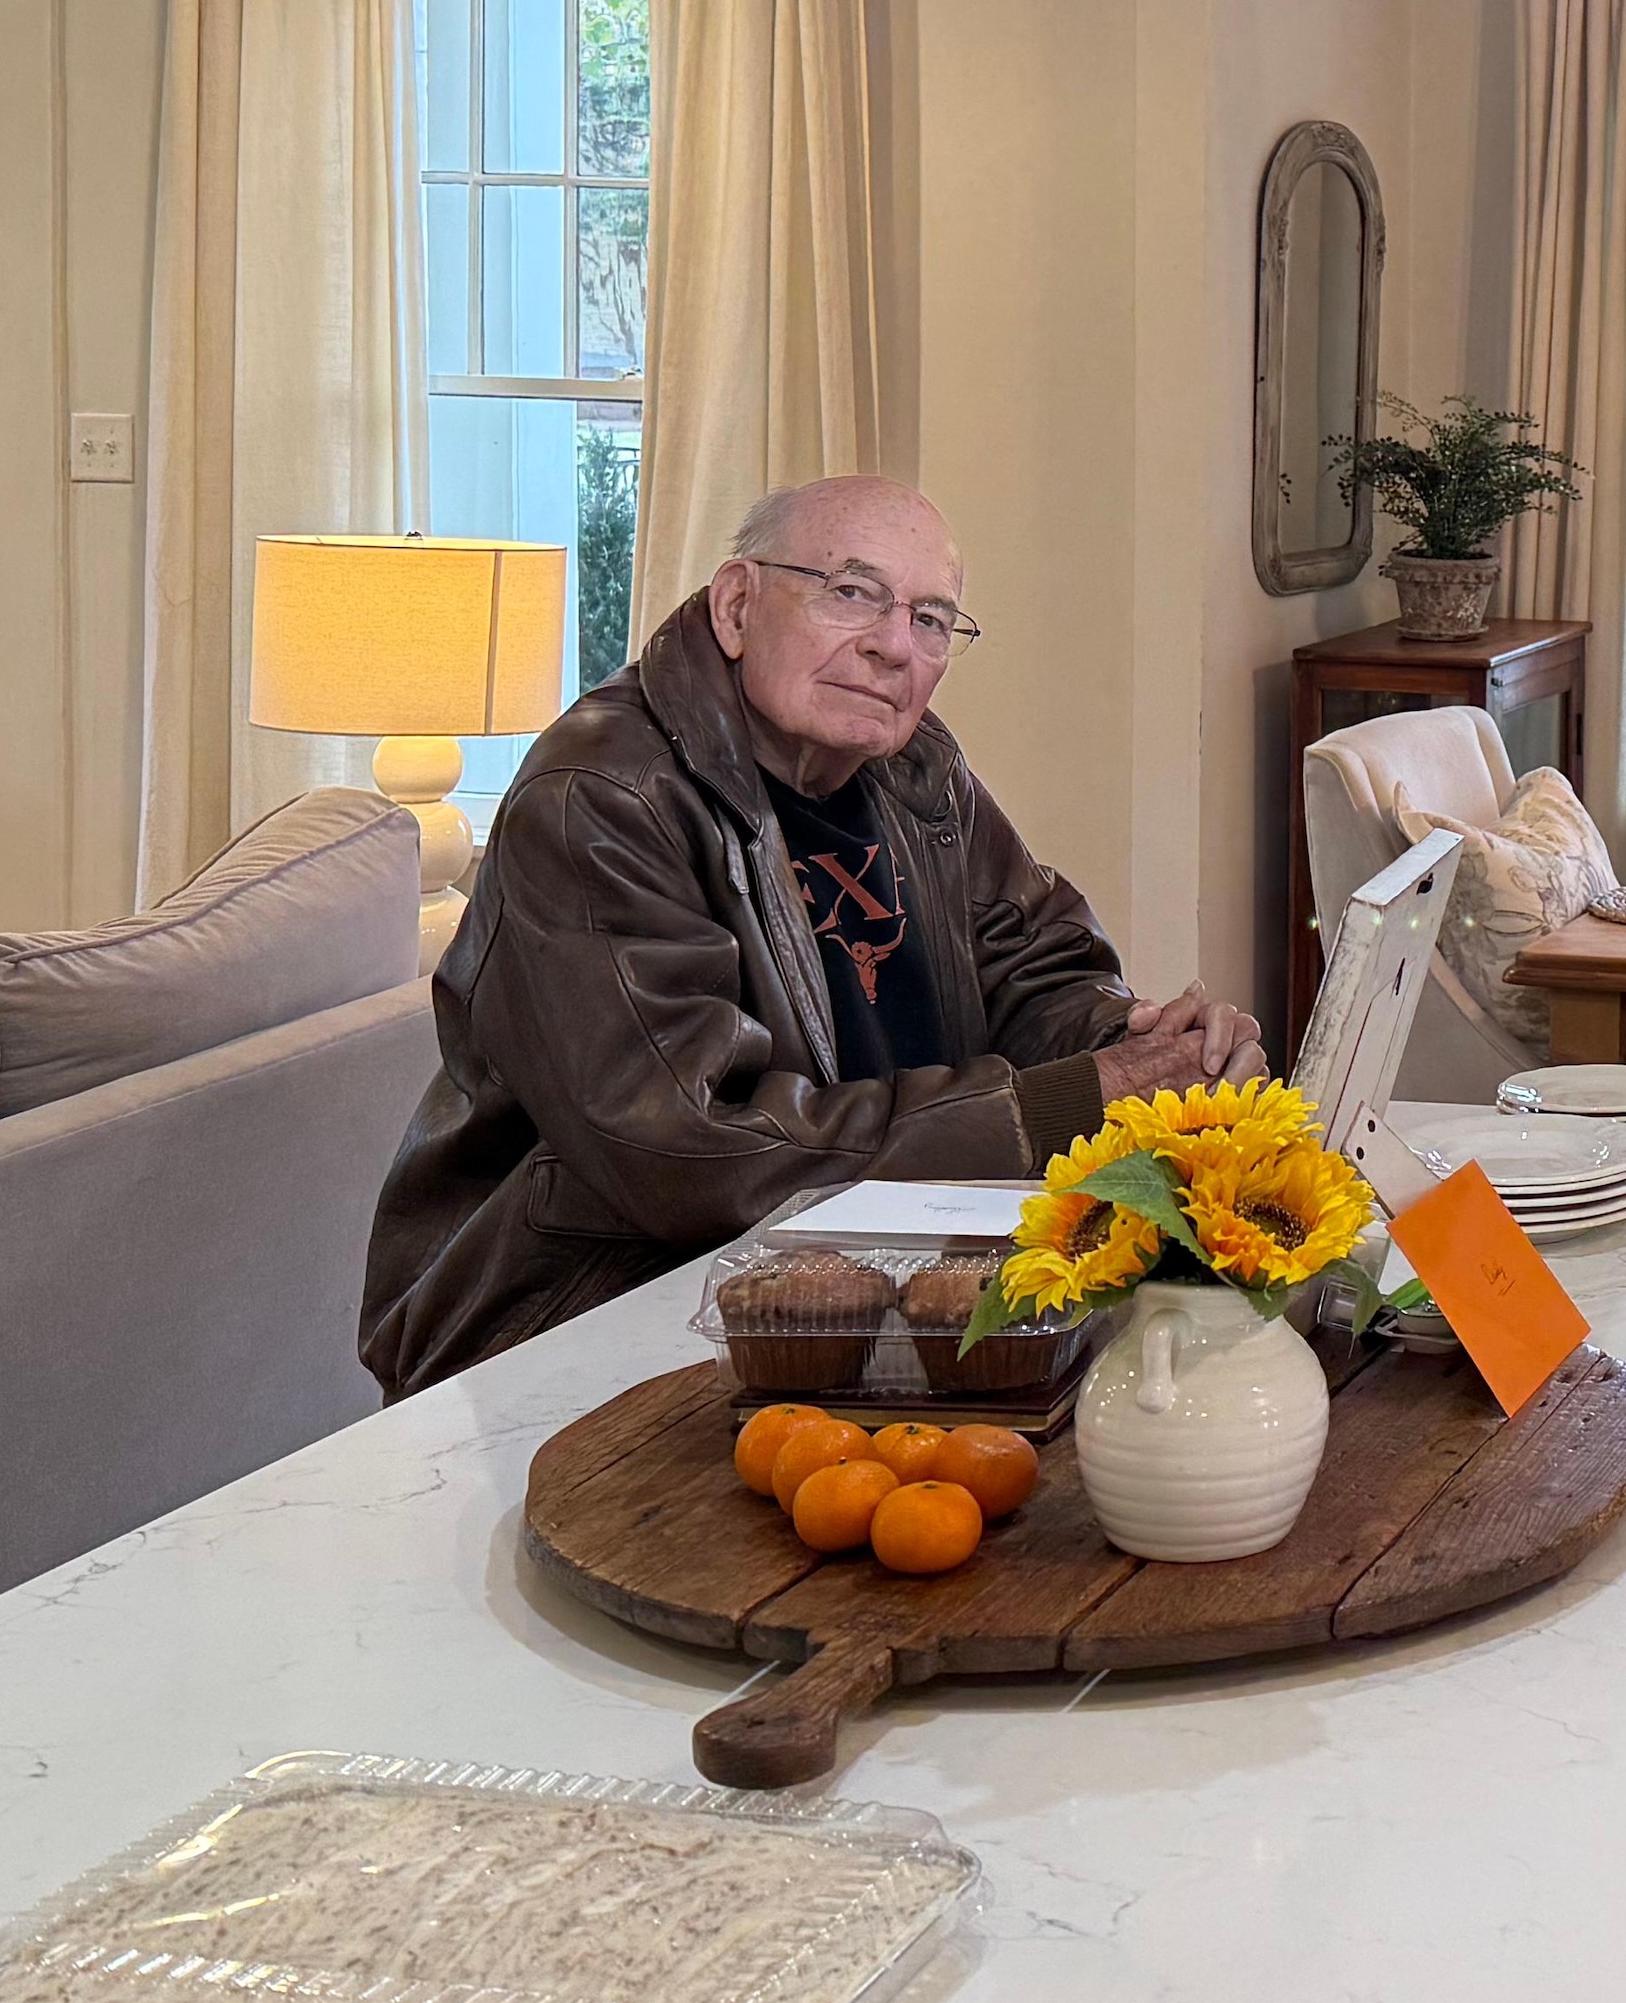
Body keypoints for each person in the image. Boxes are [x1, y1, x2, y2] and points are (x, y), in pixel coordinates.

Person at [360, 474, 1260, 1399]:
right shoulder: (600, 799)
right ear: (736, 606)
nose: (893, 646)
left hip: (852, 1283)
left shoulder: (914, 764)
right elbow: (691, 1152)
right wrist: (1064, 1102)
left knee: (1193, 1382)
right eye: (852, 591)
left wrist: (1142, 1048)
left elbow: (1035, 967)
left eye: (931, 619)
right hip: (584, 1314)